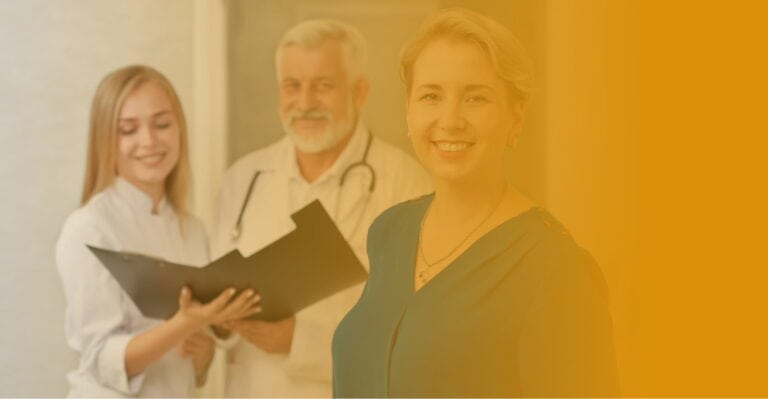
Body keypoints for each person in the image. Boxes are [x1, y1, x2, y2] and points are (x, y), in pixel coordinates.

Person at [332, 8, 620, 397]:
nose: (450, 120)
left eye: (476, 98)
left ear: (516, 117)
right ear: (409, 110)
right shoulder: (389, 232)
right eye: (431, 96)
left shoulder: (555, 269)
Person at [209, 20, 431, 397]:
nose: (305, 102)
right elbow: (215, 298)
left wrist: (300, 340)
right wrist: (218, 322)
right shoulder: (243, 179)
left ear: (359, 91)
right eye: (292, 86)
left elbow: (419, 328)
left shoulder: (409, 186)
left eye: (323, 85)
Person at [55, 65, 261, 397]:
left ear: (180, 130)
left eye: (162, 124)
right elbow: (101, 360)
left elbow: (190, 365)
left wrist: (203, 353)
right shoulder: (89, 228)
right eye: (128, 130)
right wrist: (184, 324)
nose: (149, 141)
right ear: (105, 140)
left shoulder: (191, 230)